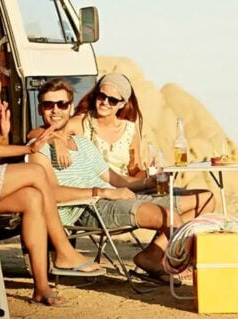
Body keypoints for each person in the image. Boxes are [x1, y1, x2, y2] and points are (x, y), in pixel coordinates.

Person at [27, 78, 218, 283]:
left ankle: (157, 257)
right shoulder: (39, 148)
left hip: (114, 196)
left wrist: (148, 182)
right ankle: (199, 271)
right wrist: (103, 192)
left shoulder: (83, 143)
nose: (55, 110)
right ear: (40, 110)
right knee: (170, 218)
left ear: (70, 107)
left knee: (203, 201)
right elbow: (50, 193)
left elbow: (115, 178)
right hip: (86, 207)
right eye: (49, 105)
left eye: (61, 104)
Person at [0, 37, 105, 306]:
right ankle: (64, 251)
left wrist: (25, 149)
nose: (0, 76)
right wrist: (3, 142)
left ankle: (41, 287)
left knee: (33, 198)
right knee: (36, 176)